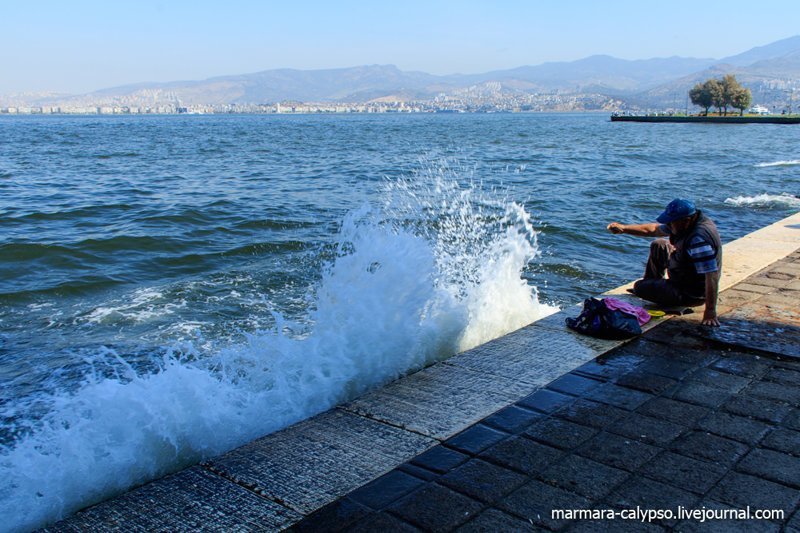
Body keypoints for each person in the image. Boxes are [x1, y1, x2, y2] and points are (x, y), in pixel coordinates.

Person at [607, 199, 722, 327]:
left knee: (639, 287)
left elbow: (712, 275)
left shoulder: (698, 239)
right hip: (684, 274)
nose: (668, 225)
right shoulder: (688, 223)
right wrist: (624, 229)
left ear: (686, 221)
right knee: (659, 244)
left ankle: (652, 288)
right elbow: (653, 230)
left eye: (671, 223)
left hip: (690, 293)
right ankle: (652, 284)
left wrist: (710, 312)